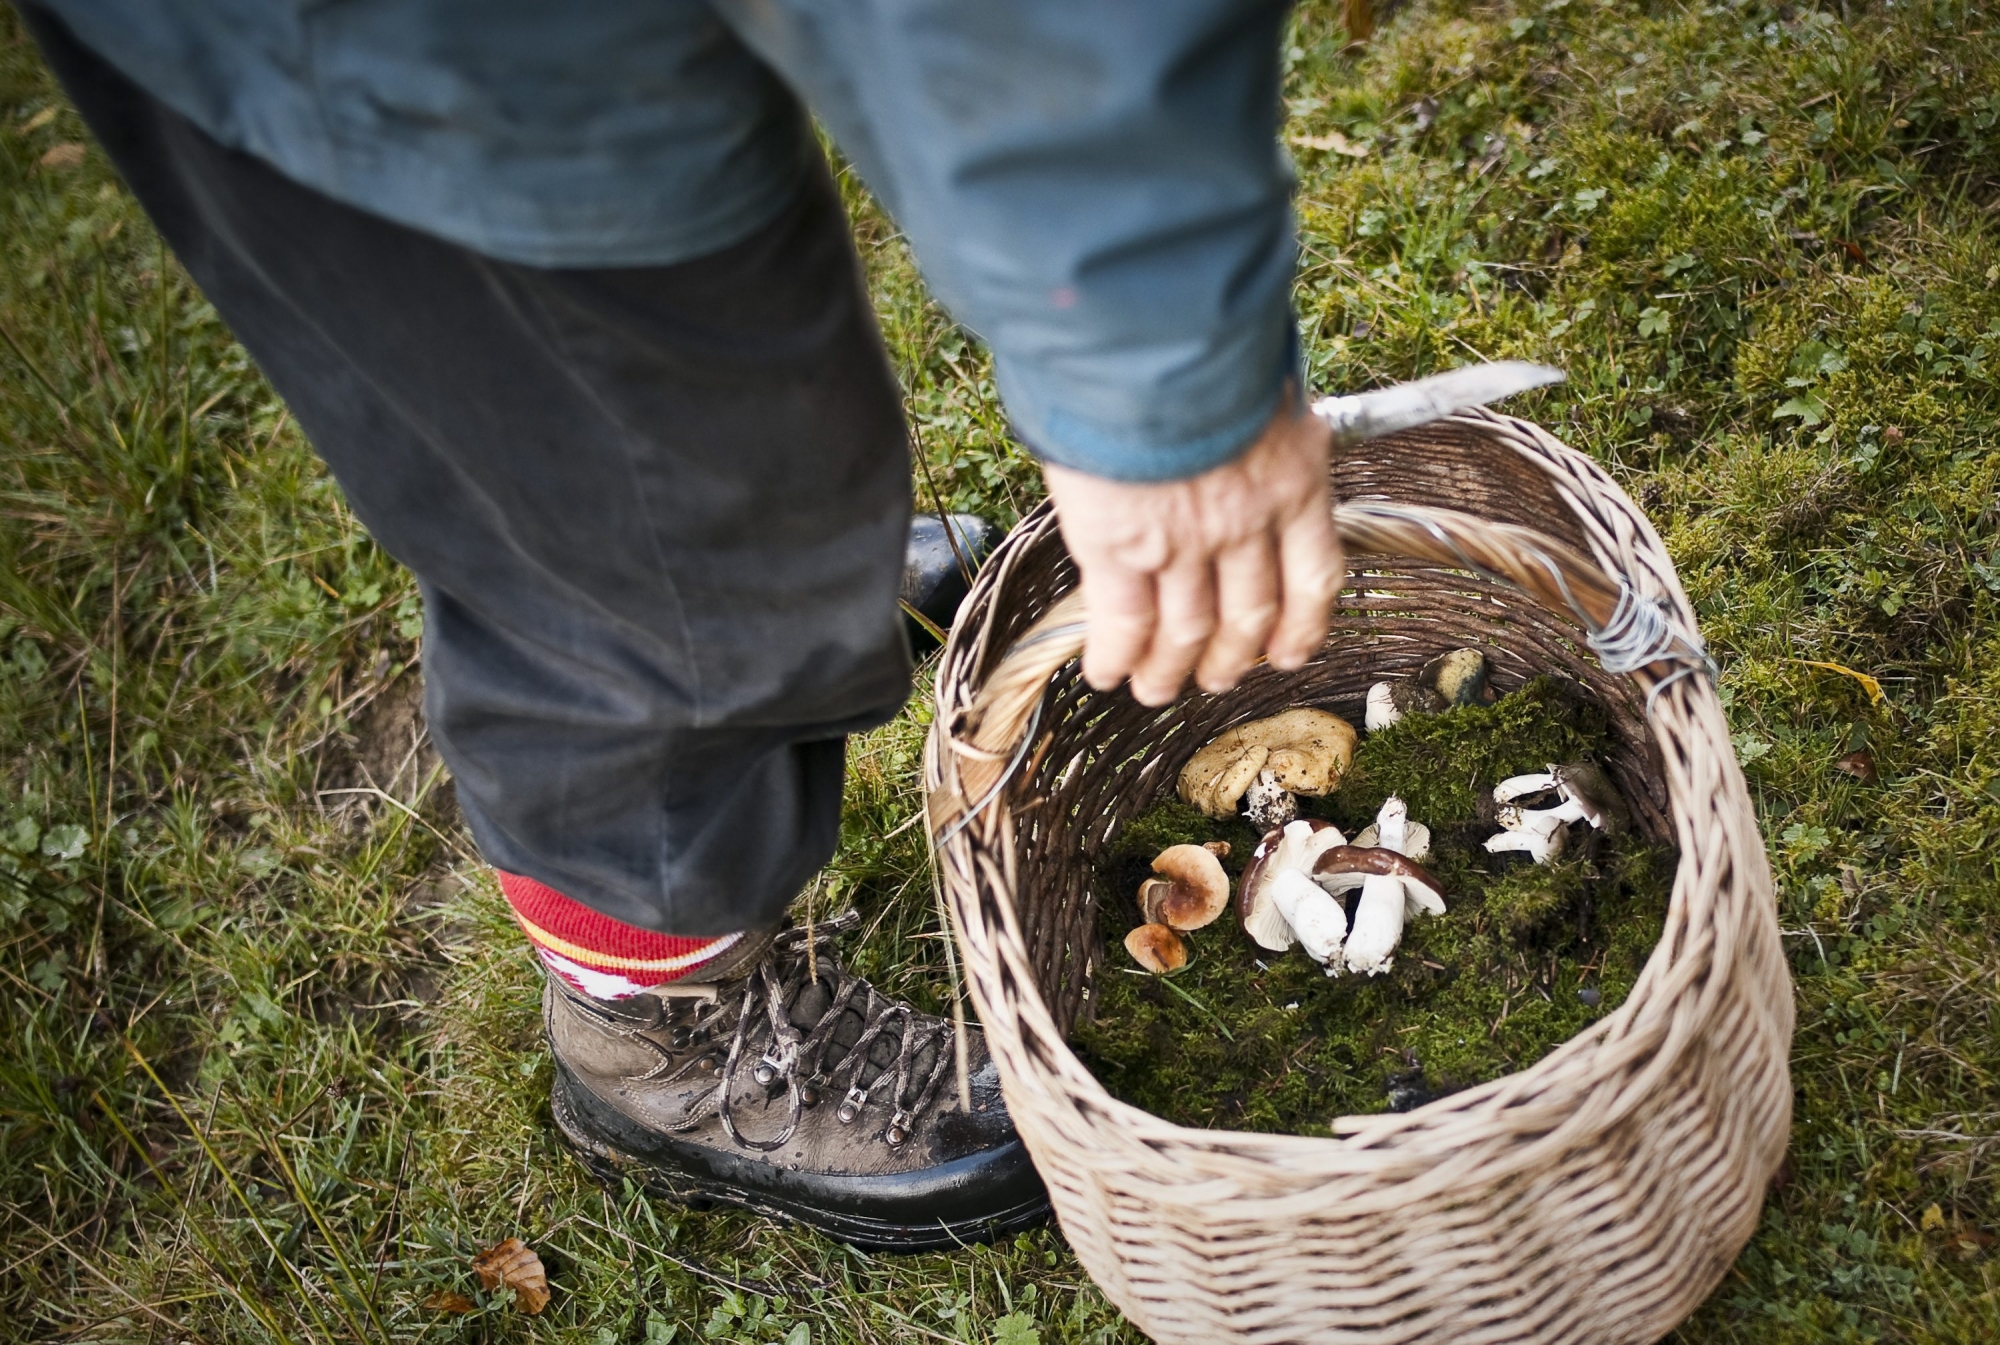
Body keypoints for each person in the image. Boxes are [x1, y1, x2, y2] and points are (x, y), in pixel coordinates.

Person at [20, 1, 1343, 1248]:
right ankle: (650, 1018)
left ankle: (766, 564)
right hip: (410, 65)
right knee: (614, 513)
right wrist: (1162, 381)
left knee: (719, 412)